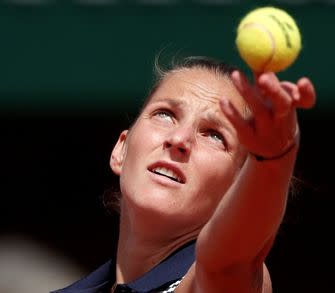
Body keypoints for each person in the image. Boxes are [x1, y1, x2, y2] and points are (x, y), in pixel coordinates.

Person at [52, 56, 316, 293]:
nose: (179, 139)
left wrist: (273, 160)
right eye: (165, 114)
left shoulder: (222, 280)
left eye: (215, 135)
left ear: (237, 186)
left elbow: (227, 264)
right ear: (121, 148)